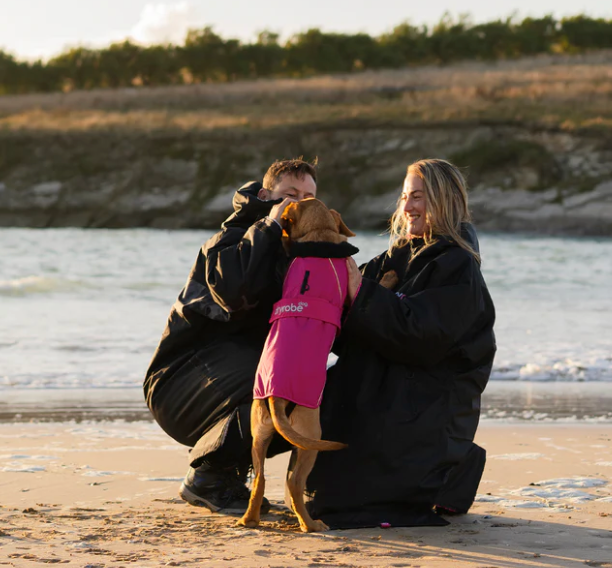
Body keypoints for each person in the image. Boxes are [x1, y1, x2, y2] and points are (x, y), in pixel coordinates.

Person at [306, 158, 496, 529]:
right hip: (388, 398)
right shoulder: (395, 256)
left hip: (429, 409)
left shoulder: (459, 267)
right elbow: (349, 322)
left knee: (343, 508)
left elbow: (419, 336)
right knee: (325, 493)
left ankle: (453, 470)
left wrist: (358, 291)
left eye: (419, 197)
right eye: (405, 196)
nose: (408, 207)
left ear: (447, 201)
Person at [143, 158, 318, 513]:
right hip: (179, 383)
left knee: (320, 389)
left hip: (233, 385)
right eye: (289, 195)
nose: (297, 205)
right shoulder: (227, 241)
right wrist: (269, 226)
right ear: (267, 195)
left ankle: (243, 477)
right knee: (280, 381)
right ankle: (210, 475)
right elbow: (235, 292)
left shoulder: (300, 254)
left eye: (308, 197)